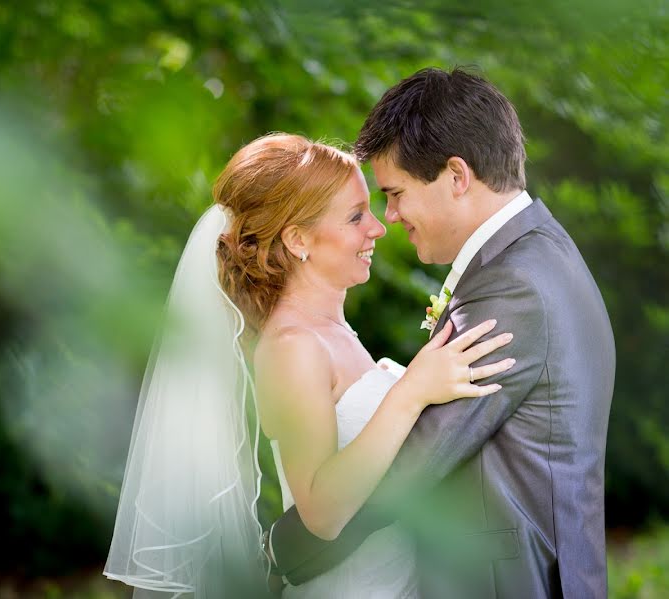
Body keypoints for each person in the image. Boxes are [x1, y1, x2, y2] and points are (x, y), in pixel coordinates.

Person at [104, 131, 515, 598]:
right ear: (298, 239)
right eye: (356, 216)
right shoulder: (291, 346)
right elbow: (320, 513)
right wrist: (411, 392)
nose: (378, 228)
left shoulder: (331, 334)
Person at [267, 68, 616, 599]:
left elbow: (417, 461)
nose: (390, 217)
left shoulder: (514, 288)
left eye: (396, 194)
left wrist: (279, 548)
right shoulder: (538, 253)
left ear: (456, 176)